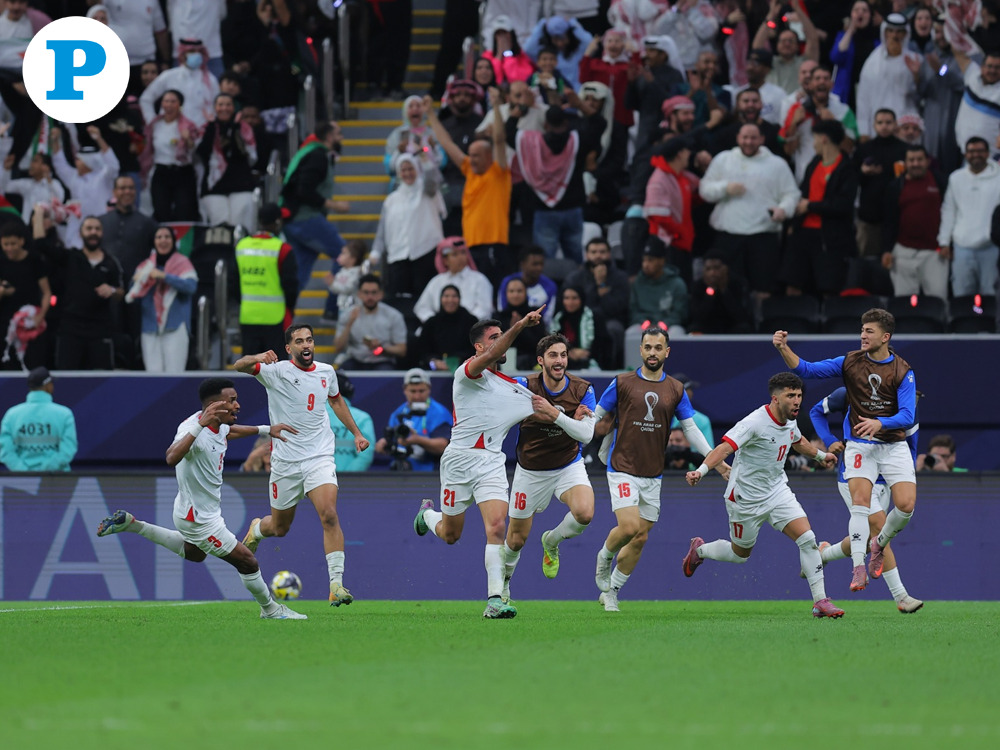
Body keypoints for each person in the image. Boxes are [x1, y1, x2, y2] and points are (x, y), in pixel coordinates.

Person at [95, 377, 305, 620]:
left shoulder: (218, 424)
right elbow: (171, 457)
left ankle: (134, 525)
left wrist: (267, 430)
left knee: (195, 554)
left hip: (191, 510)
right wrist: (199, 427)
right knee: (247, 562)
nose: (238, 406)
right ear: (215, 405)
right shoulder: (192, 429)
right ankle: (270, 609)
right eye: (232, 401)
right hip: (200, 519)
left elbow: (229, 431)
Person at [413, 308, 558, 619]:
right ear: (479, 347)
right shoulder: (466, 372)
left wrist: (576, 418)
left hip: (492, 461)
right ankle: (427, 515)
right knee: (452, 535)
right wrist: (519, 325)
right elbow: (499, 349)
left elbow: (545, 409)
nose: (499, 342)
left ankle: (494, 599)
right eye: (493, 338)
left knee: (496, 527)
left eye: (500, 334)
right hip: (458, 460)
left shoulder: (511, 385)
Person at [773, 308, 917, 593]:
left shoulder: (902, 371)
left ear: (885, 337)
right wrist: (783, 348)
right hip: (860, 449)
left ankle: (871, 546)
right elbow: (807, 370)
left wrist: (880, 422)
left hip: (892, 447)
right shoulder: (850, 362)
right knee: (865, 511)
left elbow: (908, 416)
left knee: (906, 506)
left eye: (869, 331)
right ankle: (871, 574)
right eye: (862, 330)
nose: (863, 335)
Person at [681, 372, 845, 619]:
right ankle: (700, 550)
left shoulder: (790, 419)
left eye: (799, 395)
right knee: (740, 555)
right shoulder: (754, 422)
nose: (797, 401)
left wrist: (821, 457)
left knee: (808, 539)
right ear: (775, 399)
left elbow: (797, 440)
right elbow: (724, 448)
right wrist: (701, 471)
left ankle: (820, 601)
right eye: (791, 395)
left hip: (778, 491)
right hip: (745, 498)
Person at [237, 324, 371, 607]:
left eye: (309, 339)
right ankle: (258, 529)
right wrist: (259, 357)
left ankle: (336, 584)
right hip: (285, 461)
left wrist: (357, 433)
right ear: (289, 348)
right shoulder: (276, 372)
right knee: (280, 528)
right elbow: (239, 365)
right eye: (299, 341)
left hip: (319, 456)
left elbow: (336, 402)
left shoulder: (326, 372)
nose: (306, 345)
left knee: (329, 515)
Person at [591, 326, 719, 612]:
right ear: (641, 350)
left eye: (658, 348)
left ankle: (611, 591)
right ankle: (603, 557)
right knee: (629, 526)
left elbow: (691, 429)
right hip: (621, 466)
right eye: (648, 347)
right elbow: (595, 416)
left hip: (652, 474)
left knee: (640, 537)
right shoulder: (622, 382)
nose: (652, 352)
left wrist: (713, 459)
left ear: (667, 352)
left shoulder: (675, 389)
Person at [809, 385, 924, 613]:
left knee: (873, 536)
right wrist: (828, 439)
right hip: (854, 474)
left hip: (885, 479)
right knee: (880, 528)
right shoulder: (851, 392)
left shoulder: (908, 411)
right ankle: (901, 596)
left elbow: (911, 443)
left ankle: (822, 554)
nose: (912, 400)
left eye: (915, 397)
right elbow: (816, 411)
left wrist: (903, 475)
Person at [502, 334, 597, 600]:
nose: (559, 361)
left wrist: (554, 414)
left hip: (568, 465)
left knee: (585, 513)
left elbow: (586, 435)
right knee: (516, 540)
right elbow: (506, 413)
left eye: (563, 355)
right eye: (553, 355)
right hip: (530, 471)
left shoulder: (583, 389)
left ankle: (551, 542)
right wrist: (569, 419)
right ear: (540, 360)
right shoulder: (524, 385)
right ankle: (505, 586)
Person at [700, 121, 799, 299]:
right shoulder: (724, 159)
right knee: (727, 286)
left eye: (753, 138)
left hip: (763, 235)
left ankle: (761, 324)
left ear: (761, 139)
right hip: (729, 235)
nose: (748, 142)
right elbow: (705, 189)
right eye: (745, 137)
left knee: (764, 286)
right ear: (738, 138)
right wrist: (725, 188)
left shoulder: (777, 164)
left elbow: (791, 194)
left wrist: (783, 210)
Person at [425, 93, 512, 287]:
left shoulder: (499, 173)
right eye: (470, 155)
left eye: (476, 156)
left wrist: (496, 107)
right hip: (470, 247)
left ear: (489, 157)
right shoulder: (469, 171)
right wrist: (430, 114)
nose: (470, 159)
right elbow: (447, 143)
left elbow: (498, 139)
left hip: (494, 244)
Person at [785, 119, 857, 298]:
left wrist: (810, 206)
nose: (814, 143)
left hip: (830, 237)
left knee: (828, 288)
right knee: (793, 284)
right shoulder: (815, 162)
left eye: (814, 138)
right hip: (804, 234)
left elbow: (843, 204)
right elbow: (803, 194)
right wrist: (794, 224)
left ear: (824, 138)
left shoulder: (847, 168)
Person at [279, 122, 350, 294]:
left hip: (292, 220)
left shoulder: (309, 151)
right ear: (329, 137)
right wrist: (335, 205)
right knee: (346, 257)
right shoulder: (318, 156)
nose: (342, 138)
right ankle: (334, 310)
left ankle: (284, 314)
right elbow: (304, 190)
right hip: (305, 218)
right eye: (339, 134)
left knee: (298, 276)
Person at [50, 217, 124, 370]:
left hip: (100, 330)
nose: (93, 232)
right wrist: (39, 211)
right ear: (81, 233)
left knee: (101, 378)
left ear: (102, 233)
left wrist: (111, 290)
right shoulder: (70, 257)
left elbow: (121, 292)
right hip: (70, 329)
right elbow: (40, 244)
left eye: (97, 229)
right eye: (89, 228)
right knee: (67, 377)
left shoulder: (111, 262)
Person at [369, 153, 444, 300]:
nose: (407, 173)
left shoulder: (426, 191)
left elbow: (433, 181)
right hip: (398, 256)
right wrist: (376, 251)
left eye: (411, 169)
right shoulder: (391, 199)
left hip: (425, 252)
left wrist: (425, 159)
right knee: (400, 300)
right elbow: (383, 229)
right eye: (403, 170)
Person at [125, 226, 198, 373]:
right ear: (154, 242)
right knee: (153, 375)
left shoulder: (183, 263)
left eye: (167, 237)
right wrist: (139, 281)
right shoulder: (145, 267)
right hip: (150, 328)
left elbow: (191, 287)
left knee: (175, 374)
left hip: (175, 327)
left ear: (173, 241)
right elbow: (132, 296)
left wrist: (164, 276)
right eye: (159, 237)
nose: (163, 240)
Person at [881, 145, 948, 300]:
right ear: (905, 162)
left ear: (927, 161)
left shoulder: (940, 181)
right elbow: (889, 221)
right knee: (904, 302)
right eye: (911, 160)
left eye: (919, 159)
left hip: (934, 253)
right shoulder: (895, 186)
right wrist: (886, 250)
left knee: (938, 301)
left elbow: (950, 213)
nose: (915, 163)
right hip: (903, 252)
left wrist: (947, 243)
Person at [937, 138, 1000, 298]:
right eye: (971, 151)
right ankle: (965, 324)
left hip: (991, 247)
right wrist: (944, 241)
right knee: (962, 295)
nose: (975, 155)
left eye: (980, 151)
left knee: (991, 294)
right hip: (962, 247)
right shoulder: (956, 177)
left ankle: (990, 324)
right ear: (965, 154)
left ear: (987, 153)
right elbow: (949, 210)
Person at [236, 203, 298, 359]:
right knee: (277, 371)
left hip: (248, 316)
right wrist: (290, 306)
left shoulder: (242, 246)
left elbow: (233, 283)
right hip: (275, 318)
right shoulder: (282, 249)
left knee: (250, 369)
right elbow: (290, 285)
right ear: (277, 222)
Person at [196, 93, 258, 231]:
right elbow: (202, 153)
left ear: (234, 107)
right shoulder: (205, 128)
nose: (224, 108)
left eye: (228, 105)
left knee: (241, 226)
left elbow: (248, 156)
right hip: (214, 187)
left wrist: (235, 129)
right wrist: (212, 127)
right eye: (220, 105)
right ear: (215, 108)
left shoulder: (244, 128)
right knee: (220, 228)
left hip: (241, 184)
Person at [139, 89, 200, 223]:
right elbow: (148, 149)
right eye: (166, 101)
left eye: (173, 101)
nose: (169, 105)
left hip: (182, 171)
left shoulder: (188, 126)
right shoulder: (155, 125)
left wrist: (188, 139)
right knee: (161, 209)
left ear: (180, 105)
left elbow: (194, 151)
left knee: (184, 209)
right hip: (161, 171)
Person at [855, 14, 919, 142]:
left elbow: (919, 95)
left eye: (899, 32)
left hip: (906, 128)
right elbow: (863, 99)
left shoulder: (915, 60)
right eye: (890, 31)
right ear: (884, 32)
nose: (895, 36)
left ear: (905, 34)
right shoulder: (872, 62)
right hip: (878, 126)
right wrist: (863, 130)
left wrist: (916, 75)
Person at [853, 109, 907, 258]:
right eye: (880, 123)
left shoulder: (904, 150)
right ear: (874, 125)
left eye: (888, 123)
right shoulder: (864, 149)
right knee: (865, 262)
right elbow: (851, 179)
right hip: (869, 217)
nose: (884, 126)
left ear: (895, 124)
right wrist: (863, 172)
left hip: (898, 216)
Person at [375, 368, 453, 472]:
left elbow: (443, 447)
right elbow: (393, 439)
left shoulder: (439, 413)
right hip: (402, 470)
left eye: (421, 391)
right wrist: (385, 443)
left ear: (429, 389)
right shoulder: (398, 413)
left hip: (431, 473)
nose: (417, 396)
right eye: (412, 391)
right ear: (404, 390)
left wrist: (418, 440)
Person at [0, 367, 77, 472]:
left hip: (20, 482)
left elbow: (5, 451)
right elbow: (68, 449)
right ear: (47, 386)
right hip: (57, 481)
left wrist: (23, 471)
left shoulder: (12, 415)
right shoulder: (64, 414)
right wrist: (46, 471)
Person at [0, 221, 50, 370]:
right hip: (6, 323)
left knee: (33, 364)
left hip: (30, 322)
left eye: (13, 244)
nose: (9, 248)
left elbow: (47, 292)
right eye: (5, 244)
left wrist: (40, 317)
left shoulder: (34, 260)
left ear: (21, 241)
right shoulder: (1, 262)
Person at [139, 38, 220, 129]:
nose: (196, 54)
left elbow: (217, 107)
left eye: (199, 51)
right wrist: (153, 122)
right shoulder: (169, 76)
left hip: (200, 132)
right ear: (182, 54)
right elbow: (146, 99)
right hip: (170, 131)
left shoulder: (210, 80)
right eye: (192, 51)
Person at [333, 274, 407, 371]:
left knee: (386, 372)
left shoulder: (394, 316)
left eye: (374, 293)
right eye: (366, 293)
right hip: (355, 360)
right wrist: (349, 324)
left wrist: (381, 348)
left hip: (382, 361)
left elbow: (402, 350)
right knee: (341, 375)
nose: (370, 297)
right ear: (359, 294)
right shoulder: (348, 315)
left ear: (381, 294)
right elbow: (338, 347)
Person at [413, 238, 494, 323]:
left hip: (470, 329)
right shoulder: (437, 281)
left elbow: (484, 309)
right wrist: (436, 323)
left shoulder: (479, 280)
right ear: (445, 260)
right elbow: (421, 308)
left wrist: (464, 323)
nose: (460, 257)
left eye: (463, 253)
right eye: (455, 254)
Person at [628, 237, 688, 338]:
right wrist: (645, 323)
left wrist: (662, 325)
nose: (646, 265)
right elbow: (633, 310)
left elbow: (680, 313)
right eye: (644, 260)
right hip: (644, 325)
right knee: (631, 334)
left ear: (661, 261)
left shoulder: (677, 283)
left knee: (677, 333)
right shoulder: (637, 282)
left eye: (650, 260)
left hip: (668, 326)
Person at [415, 284, 478, 371]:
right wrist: (433, 362)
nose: (450, 300)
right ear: (441, 299)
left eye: (454, 296)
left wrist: (459, 360)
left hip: (466, 369)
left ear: (459, 299)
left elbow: (477, 348)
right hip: (436, 371)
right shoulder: (431, 323)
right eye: (446, 296)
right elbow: (422, 350)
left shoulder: (471, 321)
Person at [326, 371, 376, 473]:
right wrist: (348, 479)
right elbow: (365, 455)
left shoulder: (312, 415)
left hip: (318, 482)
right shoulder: (362, 418)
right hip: (350, 484)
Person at [496, 246, 558, 325]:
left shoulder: (550, 286)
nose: (539, 268)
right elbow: (502, 310)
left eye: (541, 264)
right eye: (535, 264)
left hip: (537, 328)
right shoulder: (508, 282)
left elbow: (547, 318)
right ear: (522, 264)